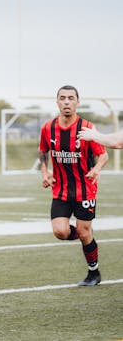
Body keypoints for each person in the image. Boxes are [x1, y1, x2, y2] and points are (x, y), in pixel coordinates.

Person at [38, 85, 109, 286]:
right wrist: (45, 172)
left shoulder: (87, 127)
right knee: (60, 231)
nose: (66, 102)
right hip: (60, 189)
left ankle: (93, 272)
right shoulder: (48, 128)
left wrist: (97, 169)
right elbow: (42, 151)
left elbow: (103, 154)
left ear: (78, 102)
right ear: (57, 102)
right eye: (62, 98)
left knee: (84, 231)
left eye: (71, 98)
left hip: (85, 189)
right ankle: (86, 235)